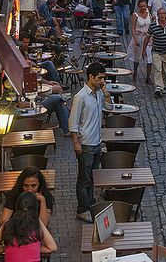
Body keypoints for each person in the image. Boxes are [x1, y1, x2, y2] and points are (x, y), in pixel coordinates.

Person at [69, 62, 114, 223]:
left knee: (92, 176)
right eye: (100, 78)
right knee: (84, 178)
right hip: (86, 143)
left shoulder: (99, 94)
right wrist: (76, 143)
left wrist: (106, 92)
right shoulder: (80, 97)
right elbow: (73, 123)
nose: (102, 81)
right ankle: (82, 209)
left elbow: (109, 108)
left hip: (96, 143)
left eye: (104, 78)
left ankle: (90, 203)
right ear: (91, 77)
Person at [0, 192, 57, 260]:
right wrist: (34, 248)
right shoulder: (37, 226)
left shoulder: (8, 225)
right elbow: (52, 247)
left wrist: (6, 248)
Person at [128, 0, 152, 83]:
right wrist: (135, 39)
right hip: (139, 38)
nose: (143, 8)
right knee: (137, 58)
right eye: (141, 6)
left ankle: (148, 77)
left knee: (149, 58)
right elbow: (133, 28)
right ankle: (135, 73)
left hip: (148, 38)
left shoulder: (149, 14)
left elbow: (151, 26)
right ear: (138, 7)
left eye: (144, 6)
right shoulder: (135, 15)